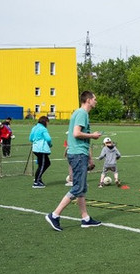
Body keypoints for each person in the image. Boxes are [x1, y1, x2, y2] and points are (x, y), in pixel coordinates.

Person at [45, 91, 102, 232]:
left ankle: (85, 218)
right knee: (77, 187)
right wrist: (93, 136)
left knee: (81, 187)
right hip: (77, 155)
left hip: (78, 153)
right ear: (88, 100)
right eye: (95, 99)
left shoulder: (79, 113)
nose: (96, 101)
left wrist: (89, 157)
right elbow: (76, 133)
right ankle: (55, 214)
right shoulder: (82, 113)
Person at [30, 116, 53, 188]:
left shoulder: (34, 127)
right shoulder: (43, 129)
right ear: (45, 122)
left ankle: (38, 178)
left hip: (35, 148)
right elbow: (48, 139)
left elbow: (30, 138)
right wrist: (49, 145)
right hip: (41, 149)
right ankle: (36, 182)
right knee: (42, 165)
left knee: (46, 163)